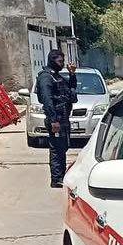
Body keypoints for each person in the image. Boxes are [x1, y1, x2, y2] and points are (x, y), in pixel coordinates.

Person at [35, 49, 78, 187]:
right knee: (56, 149)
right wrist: (53, 120)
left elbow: (71, 90)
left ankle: (61, 176)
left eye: (62, 61)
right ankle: (56, 179)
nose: (62, 64)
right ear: (52, 60)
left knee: (63, 147)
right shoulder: (46, 77)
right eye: (59, 61)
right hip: (56, 119)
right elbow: (47, 99)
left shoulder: (57, 76)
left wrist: (72, 74)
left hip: (63, 117)